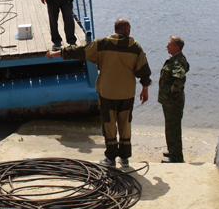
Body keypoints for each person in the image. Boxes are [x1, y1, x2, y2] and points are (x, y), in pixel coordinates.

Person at [45, 18, 152, 167]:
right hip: (127, 94)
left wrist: (56, 53)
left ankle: (110, 159)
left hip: (108, 93)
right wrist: (145, 89)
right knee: (125, 124)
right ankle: (125, 158)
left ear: (116, 29)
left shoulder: (102, 44)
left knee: (109, 125)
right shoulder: (135, 47)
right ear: (127, 30)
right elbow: (143, 71)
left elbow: (79, 51)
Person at [158, 36, 190, 164]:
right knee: (170, 127)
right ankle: (173, 150)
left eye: (169, 44)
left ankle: (176, 158)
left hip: (173, 101)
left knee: (173, 129)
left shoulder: (177, 61)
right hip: (170, 101)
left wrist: (173, 90)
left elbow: (180, 77)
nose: (167, 46)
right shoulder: (176, 59)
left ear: (176, 47)